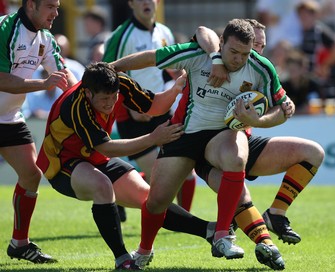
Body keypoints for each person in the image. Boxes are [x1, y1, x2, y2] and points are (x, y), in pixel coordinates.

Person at [111, 19, 288, 270]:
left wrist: (258, 119)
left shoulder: (261, 68)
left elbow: (283, 108)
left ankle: (222, 235)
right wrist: (112, 67)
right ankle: (144, 250)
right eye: (233, 52)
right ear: (221, 43)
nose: (239, 59)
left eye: (245, 54)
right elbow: (153, 57)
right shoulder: (199, 55)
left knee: (236, 159)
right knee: (156, 201)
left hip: (222, 135)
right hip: (184, 134)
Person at [35, 62, 219, 270]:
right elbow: (107, 148)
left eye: (113, 97)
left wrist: (176, 89)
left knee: (150, 200)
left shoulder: (119, 83)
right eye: (104, 98)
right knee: (102, 186)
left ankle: (209, 230)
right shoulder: (76, 104)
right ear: (87, 93)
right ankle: (123, 259)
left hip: (94, 157)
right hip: (61, 164)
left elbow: (154, 105)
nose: (111, 103)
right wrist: (153, 138)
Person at [194, 18, 323, 249]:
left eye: (262, 46)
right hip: (206, 152)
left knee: (313, 152)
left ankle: (276, 214)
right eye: (254, 45)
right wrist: (215, 58)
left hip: (243, 143)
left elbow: (282, 104)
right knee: (240, 194)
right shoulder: (212, 62)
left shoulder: (259, 70)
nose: (258, 51)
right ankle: (265, 245)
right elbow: (204, 30)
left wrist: (281, 107)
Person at [0, 0, 78, 264]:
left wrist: (85, 99)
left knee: (31, 175)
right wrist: (43, 84)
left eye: (57, 6)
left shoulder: (45, 37)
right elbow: (1, 78)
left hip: (9, 118)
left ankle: (19, 244)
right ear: (31, 5)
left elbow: (64, 76)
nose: (56, 13)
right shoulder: (5, 29)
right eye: (50, 7)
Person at [103, 0, 197, 213]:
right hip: (132, 116)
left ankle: (185, 219)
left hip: (160, 110)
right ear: (131, 3)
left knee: (183, 171)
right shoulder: (121, 35)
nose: (147, 2)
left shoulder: (164, 32)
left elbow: (171, 68)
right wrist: (130, 105)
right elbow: (105, 72)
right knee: (161, 177)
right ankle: (118, 190)